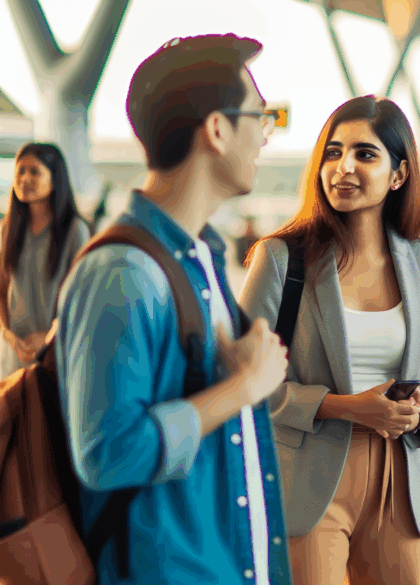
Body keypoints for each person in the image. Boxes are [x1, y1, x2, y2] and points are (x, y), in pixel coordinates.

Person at [55, 34, 292, 584]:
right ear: (216, 128)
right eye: (260, 117)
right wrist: (243, 387)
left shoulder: (200, 255)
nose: (265, 134)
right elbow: (107, 452)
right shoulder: (123, 273)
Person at [238, 96, 420, 585]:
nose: (344, 168)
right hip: (306, 481)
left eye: (365, 154)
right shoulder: (279, 260)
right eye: (333, 153)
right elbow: (242, 385)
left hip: (401, 483)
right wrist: (346, 406)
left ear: (399, 175)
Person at [0, 143, 90, 378]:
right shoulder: (7, 230)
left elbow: (82, 299)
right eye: (20, 171)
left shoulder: (75, 231)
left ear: (55, 180)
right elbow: (1, 289)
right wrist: (7, 334)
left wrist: (49, 335)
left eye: (34, 171)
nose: (25, 179)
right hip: (13, 359)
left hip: (55, 358)